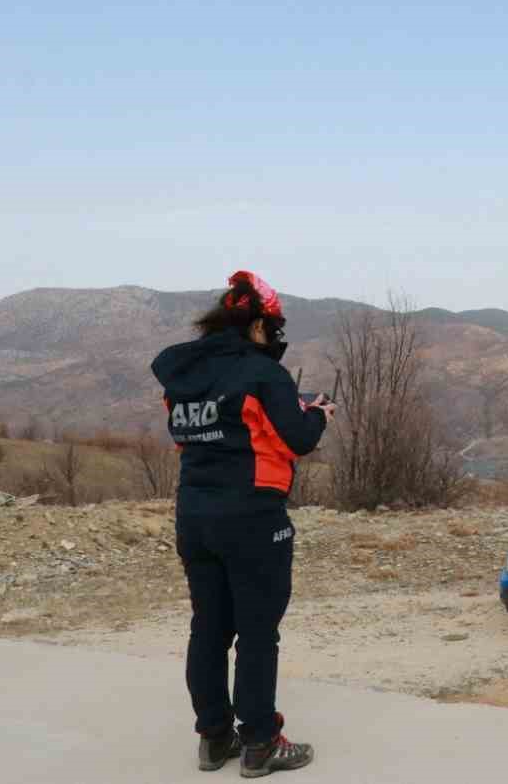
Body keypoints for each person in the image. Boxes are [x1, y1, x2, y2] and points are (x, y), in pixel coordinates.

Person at [151, 271, 334, 777]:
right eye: (272, 327)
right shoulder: (262, 372)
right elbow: (297, 438)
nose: (274, 336)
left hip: (194, 515)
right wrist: (318, 415)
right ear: (256, 325)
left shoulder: (184, 377)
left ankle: (213, 739)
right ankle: (260, 743)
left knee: (208, 629)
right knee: (257, 634)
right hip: (253, 517)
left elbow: (229, 432)